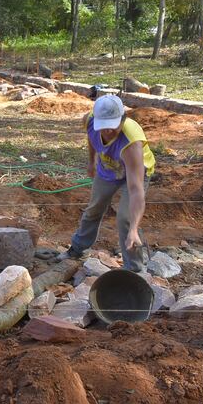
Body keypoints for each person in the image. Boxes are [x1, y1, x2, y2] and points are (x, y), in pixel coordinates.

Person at [57, 94, 155, 272]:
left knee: (125, 218)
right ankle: (78, 250)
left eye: (112, 126)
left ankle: (134, 269)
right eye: (104, 127)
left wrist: (134, 229)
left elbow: (136, 190)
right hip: (108, 169)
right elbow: (92, 138)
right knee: (93, 209)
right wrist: (91, 160)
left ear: (123, 119)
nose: (108, 131)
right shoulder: (89, 121)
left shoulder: (131, 143)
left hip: (134, 172)